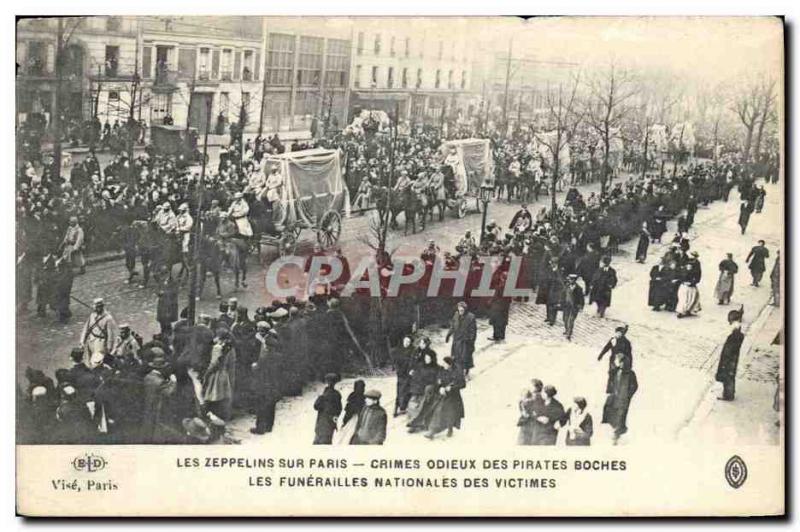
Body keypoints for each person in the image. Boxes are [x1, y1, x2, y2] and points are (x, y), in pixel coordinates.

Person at [140, 350, 178, 444]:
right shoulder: (159, 381)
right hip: (158, 409)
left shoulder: (148, 377)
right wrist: (174, 381)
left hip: (149, 406)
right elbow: (170, 392)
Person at [424, 357, 466, 440]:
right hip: (443, 395)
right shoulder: (442, 371)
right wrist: (440, 387)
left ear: (449, 364)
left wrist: (452, 388)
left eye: (445, 363)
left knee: (449, 414)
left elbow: (463, 384)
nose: (443, 365)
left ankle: (447, 429)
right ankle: (432, 431)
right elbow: (438, 381)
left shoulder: (456, 372)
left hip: (453, 397)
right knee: (437, 411)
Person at [602, 353, 638, 443]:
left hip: (623, 399)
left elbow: (635, 386)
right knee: (611, 412)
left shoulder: (630, 373)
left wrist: (628, 395)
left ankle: (617, 435)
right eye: (620, 362)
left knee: (620, 415)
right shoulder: (616, 371)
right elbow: (611, 379)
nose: (621, 364)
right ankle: (613, 429)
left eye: (622, 362)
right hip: (615, 396)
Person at [80, 298, 118, 369]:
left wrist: (109, 347)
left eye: (99, 307)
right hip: (91, 340)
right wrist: (82, 341)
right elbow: (86, 328)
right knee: (89, 360)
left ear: (102, 306)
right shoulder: (92, 315)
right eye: (96, 307)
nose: (97, 308)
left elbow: (110, 335)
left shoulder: (108, 318)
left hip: (100, 342)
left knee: (97, 361)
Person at [715, 317, 745, 401]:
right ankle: (730, 393)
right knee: (730, 376)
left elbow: (727, 351)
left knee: (727, 377)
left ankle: (728, 395)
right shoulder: (740, 336)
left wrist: (724, 362)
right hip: (733, 359)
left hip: (728, 360)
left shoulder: (732, 338)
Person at [445, 302, 477, 378]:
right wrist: (448, 335)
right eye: (459, 310)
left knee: (465, 358)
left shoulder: (471, 317)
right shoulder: (456, 315)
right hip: (456, 340)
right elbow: (452, 326)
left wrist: (470, 341)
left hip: (465, 342)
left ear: (465, 310)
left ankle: (466, 373)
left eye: (462, 310)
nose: (460, 312)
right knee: (455, 357)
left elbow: (473, 331)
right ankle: (456, 371)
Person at [313, 373, 342, 444]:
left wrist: (320, 398)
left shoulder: (324, 395)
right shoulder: (337, 395)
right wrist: (335, 418)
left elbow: (316, 406)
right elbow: (339, 409)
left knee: (319, 442)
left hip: (322, 422)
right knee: (327, 441)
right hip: (330, 423)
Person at [390, 336, 415, 416]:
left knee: (407, 390)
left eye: (408, 342)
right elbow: (395, 362)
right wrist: (398, 370)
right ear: (403, 341)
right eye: (405, 341)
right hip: (401, 373)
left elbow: (413, 361)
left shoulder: (413, 350)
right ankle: (397, 407)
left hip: (408, 373)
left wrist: (411, 370)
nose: (406, 343)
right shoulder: (398, 350)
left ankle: (404, 407)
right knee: (400, 390)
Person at [516, 379, 544, 445]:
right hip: (527, 425)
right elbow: (521, 405)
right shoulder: (527, 398)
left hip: (534, 427)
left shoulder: (540, 399)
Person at [561, 274, 585, 341]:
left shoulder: (579, 289)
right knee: (565, 319)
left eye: (572, 279)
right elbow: (562, 295)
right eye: (570, 279)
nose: (570, 281)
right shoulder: (566, 287)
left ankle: (569, 334)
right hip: (566, 306)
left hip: (574, 307)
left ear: (575, 280)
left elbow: (581, 299)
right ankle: (567, 330)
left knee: (571, 320)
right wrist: (560, 303)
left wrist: (581, 306)